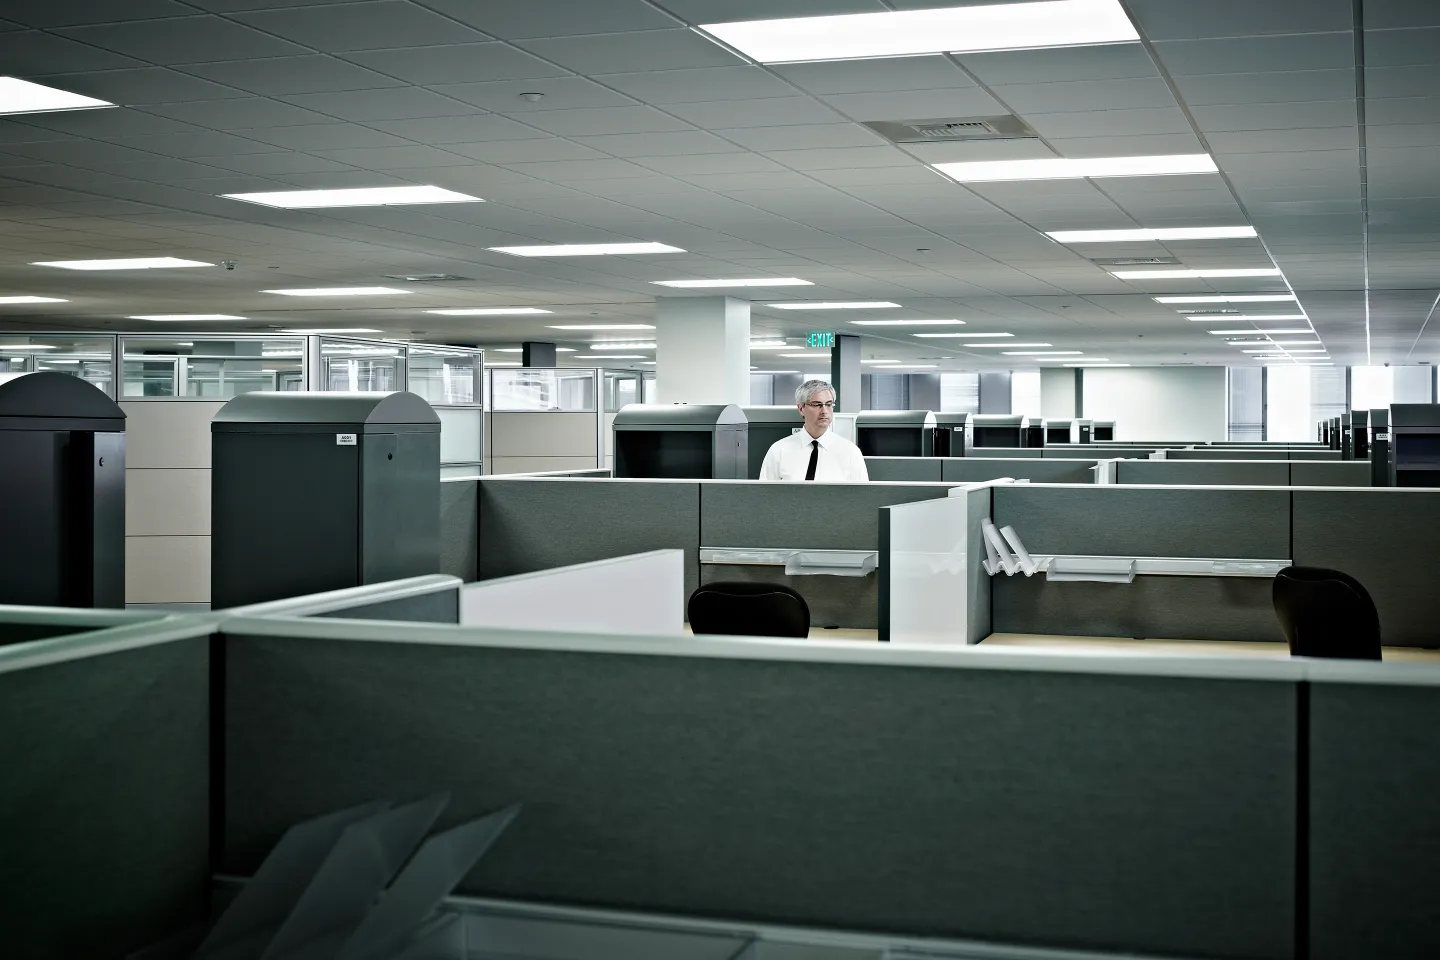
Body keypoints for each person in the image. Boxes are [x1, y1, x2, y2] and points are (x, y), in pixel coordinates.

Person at [759, 379, 869, 482]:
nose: (824, 411)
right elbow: (765, 496)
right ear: (801, 408)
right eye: (817, 405)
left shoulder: (850, 452)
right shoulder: (779, 450)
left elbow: (863, 498)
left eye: (829, 404)